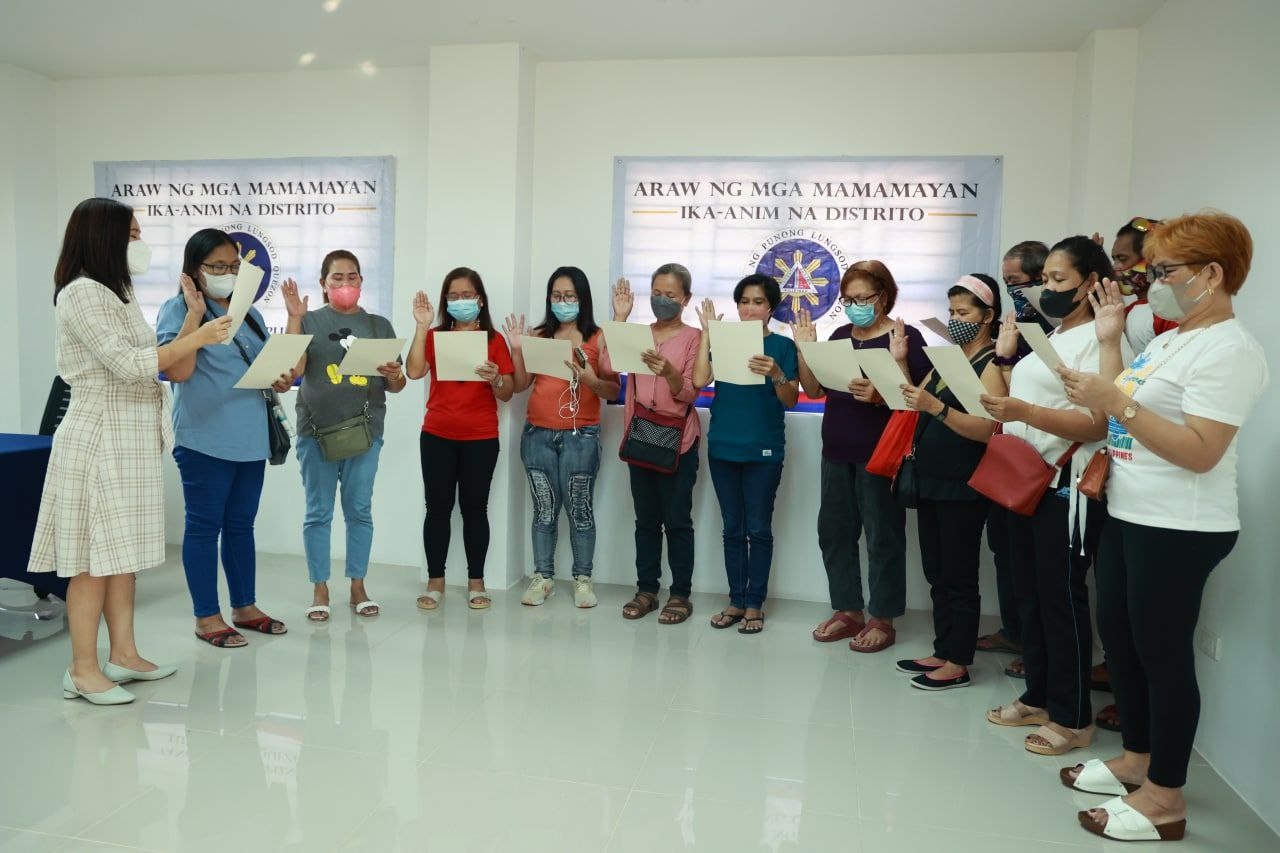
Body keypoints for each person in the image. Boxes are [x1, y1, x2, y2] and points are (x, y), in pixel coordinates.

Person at [1059, 213, 1266, 842]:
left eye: (1165, 271)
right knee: (1121, 640)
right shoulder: (1175, 339)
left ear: (1212, 274)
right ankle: (1137, 759)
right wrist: (1108, 341)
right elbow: (1116, 405)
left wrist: (1118, 402)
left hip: (1180, 524)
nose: (1152, 283)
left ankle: (1166, 797)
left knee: (1163, 655)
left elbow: (1201, 451)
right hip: (1131, 509)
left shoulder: (1229, 349)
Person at [29, 198, 230, 703]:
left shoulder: (115, 292)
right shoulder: (81, 293)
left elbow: (160, 360)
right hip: (99, 437)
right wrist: (200, 336)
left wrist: (194, 320)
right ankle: (82, 669)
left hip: (129, 438)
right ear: (104, 237)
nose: (139, 244)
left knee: (122, 557)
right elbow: (130, 364)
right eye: (132, 234)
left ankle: (124, 654)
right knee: (91, 561)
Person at [981, 236, 1132, 756]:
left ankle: (1072, 716)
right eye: (1044, 279)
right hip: (1025, 478)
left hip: (1066, 485)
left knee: (1061, 598)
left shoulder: (1100, 341)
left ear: (1091, 283)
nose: (1046, 288)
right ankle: (1039, 695)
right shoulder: (1053, 334)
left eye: (1058, 279)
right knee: (1030, 593)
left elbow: (1099, 423)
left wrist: (1024, 413)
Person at [156, 229, 296, 647]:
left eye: (234, 266)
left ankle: (244, 607)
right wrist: (195, 317)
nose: (228, 273)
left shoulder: (248, 314)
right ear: (194, 269)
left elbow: (262, 365)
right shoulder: (177, 309)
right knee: (203, 527)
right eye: (218, 266)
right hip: (204, 438)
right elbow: (176, 371)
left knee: (240, 525)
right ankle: (206, 616)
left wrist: (280, 377)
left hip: (251, 437)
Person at [794, 260, 930, 652]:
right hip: (836, 450)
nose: (855, 306)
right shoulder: (840, 335)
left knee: (883, 537)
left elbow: (918, 398)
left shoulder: (906, 336)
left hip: (882, 455)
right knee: (834, 533)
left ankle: (883, 618)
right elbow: (814, 390)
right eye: (848, 300)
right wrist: (805, 349)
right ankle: (848, 610)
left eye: (863, 298)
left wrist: (880, 395)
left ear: (883, 296)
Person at [896, 274, 1007, 690]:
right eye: (951, 312)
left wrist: (938, 409)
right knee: (936, 572)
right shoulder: (949, 359)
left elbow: (988, 429)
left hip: (964, 483)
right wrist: (900, 361)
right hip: (930, 478)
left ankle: (958, 661)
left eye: (963, 312)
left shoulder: (991, 363)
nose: (955, 319)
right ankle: (942, 650)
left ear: (987, 316)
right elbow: (914, 398)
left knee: (959, 575)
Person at [282, 250, 405, 623]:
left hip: (365, 432)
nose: (346, 283)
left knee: (359, 510)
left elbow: (396, 385)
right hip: (315, 432)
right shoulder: (309, 320)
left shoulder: (379, 325)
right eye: (337, 277)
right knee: (318, 512)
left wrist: (394, 374)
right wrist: (294, 317)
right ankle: (319, 588)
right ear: (324, 283)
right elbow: (294, 369)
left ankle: (358, 587)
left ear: (361, 281)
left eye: (353, 277)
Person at [504, 267, 620, 608]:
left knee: (580, 511)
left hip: (581, 436)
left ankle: (583, 579)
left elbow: (613, 390)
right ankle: (544, 577)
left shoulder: (599, 337)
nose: (563, 301)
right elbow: (521, 384)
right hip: (537, 435)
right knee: (544, 510)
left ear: (582, 299)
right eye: (556, 295)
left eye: (570, 296)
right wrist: (517, 349)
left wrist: (590, 380)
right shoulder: (539, 334)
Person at [695, 274, 799, 635]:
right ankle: (736, 601)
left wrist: (777, 374)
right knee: (732, 530)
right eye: (744, 302)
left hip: (763, 450)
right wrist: (707, 334)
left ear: (771, 308)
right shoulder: (724, 339)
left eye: (758, 302)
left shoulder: (782, 346)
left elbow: (791, 400)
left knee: (759, 529)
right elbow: (698, 380)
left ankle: (755, 604)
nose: (749, 308)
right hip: (723, 446)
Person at [405, 267, 514, 610]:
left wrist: (496, 379)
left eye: (467, 295)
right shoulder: (435, 335)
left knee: (475, 510)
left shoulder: (494, 340)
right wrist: (421, 327)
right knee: (437, 509)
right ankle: (435, 581)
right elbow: (414, 371)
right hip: (437, 434)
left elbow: (508, 393)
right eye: (453, 296)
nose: (460, 301)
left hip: (481, 436)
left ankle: (476, 582)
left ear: (480, 300)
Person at [609, 265, 704, 624]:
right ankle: (646, 590)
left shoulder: (694, 337)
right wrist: (620, 318)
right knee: (646, 521)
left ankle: (680, 595)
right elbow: (607, 365)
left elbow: (691, 392)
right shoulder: (638, 334)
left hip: (679, 441)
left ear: (686, 299)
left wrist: (669, 372)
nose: (662, 300)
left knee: (677, 521)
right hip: (640, 437)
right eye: (657, 293)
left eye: (671, 295)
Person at [977, 240, 1053, 666]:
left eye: (1018, 282)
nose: (1012, 291)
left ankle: (1035, 647)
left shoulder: (1054, 329)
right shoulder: (1015, 324)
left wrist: (1006, 363)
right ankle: (1015, 632)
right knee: (1005, 551)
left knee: (1033, 564)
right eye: (1006, 283)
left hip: (1043, 459)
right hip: (1006, 452)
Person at [1112, 216, 1177, 354]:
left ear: (1152, 258)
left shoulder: (1168, 313)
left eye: (1122, 259)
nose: (1115, 268)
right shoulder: (1127, 312)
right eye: (1114, 260)